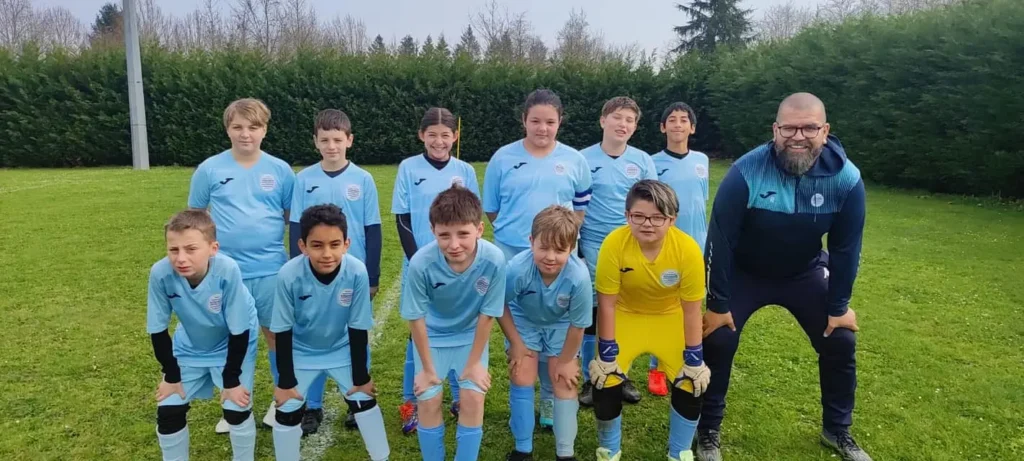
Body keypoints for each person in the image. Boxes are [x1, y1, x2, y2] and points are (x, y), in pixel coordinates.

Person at [696, 93, 870, 461]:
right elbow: (720, 242)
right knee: (719, 337)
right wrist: (717, 304)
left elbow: (845, 249)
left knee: (839, 338)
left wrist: (838, 306)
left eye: (809, 127)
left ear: (825, 131)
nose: (798, 135)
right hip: (745, 272)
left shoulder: (846, 179)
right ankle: (708, 429)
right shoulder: (745, 172)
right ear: (775, 130)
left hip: (803, 273)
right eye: (789, 127)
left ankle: (836, 430)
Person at [483, 88, 592, 429]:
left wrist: (557, 245)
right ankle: (524, 398)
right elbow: (491, 207)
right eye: (535, 121)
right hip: (515, 255)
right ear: (524, 121)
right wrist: (522, 241)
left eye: (550, 122)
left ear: (559, 122)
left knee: (556, 334)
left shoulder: (575, 159)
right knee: (524, 340)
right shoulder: (502, 157)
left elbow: (580, 208)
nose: (542, 128)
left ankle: (549, 401)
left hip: (558, 260)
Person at [187, 97, 295, 431]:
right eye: (237, 127)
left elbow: (293, 218)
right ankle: (236, 406)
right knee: (233, 338)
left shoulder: (280, 170)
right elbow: (196, 217)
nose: (245, 134)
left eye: (253, 127)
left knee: (277, 337)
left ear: (264, 130)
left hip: (271, 269)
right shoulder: (209, 169)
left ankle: (282, 404)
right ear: (227, 129)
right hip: (226, 273)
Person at [588, 180, 709, 461]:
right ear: (627, 215)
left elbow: (692, 310)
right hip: (624, 316)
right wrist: (606, 354)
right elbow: (606, 304)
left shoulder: (688, 250)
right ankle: (609, 449)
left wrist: (695, 358)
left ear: (672, 219)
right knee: (605, 380)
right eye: (639, 216)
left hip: (670, 318)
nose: (648, 224)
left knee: (692, 382)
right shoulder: (614, 244)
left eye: (658, 217)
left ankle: (680, 452)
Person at [288, 108, 382, 435]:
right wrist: (295, 269)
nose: (331, 146)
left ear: (349, 141)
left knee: (356, 334)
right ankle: (311, 406)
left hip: (351, 276)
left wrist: (372, 276)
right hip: (312, 274)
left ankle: (356, 398)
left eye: (337, 140)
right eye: (325, 140)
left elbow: (372, 229)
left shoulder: (363, 179)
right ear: (315, 142)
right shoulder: (304, 179)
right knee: (309, 336)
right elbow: (296, 228)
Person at [270, 204, 390, 461]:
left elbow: (358, 328)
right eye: (317, 245)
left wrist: (361, 377)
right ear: (302, 246)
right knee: (287, 409)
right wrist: (285, 382)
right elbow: (282, 331)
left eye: (335, 244)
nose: (327, 253)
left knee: (364, 400)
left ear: (346, 244)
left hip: (341, 349)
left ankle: (381, 456)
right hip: (301, 351)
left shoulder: (356, 271)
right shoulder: (288, 275)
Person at [401, 185, 506, 461]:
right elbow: (416, 318)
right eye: (444, 235)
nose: (454, 244)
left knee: (473, 398)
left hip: (470, 337)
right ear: (433, 230)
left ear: (479, 229)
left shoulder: (494, 260)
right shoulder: (421, 263)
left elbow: (487, 316)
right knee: (428, 399)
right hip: (432, 338)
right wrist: (425, 368)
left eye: (463, 234)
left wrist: (474, 364)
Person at [392, 107, 480, 435]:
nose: (439, 141)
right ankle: (410, 403)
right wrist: (419, 261)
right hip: (421, 265)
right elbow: (401, 217)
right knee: (419, 333)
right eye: (432, 135)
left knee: (458, 328)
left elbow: (472, 220)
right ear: (421, 136)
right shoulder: (407, 168)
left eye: (446, 135)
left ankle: (458, 397)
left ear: (455, 137)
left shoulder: (465, 170)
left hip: (459, 266)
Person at [146, 210, 259, 461]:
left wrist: (231, 380)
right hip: (190, 346)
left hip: (234, 340)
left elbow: (239, 330)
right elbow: (158, 329)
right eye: (173, 250)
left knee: (236, 408)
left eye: (191, 249)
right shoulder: (160, 273)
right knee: (168, 410)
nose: (181, 258)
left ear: (213, 248)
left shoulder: (228, 270)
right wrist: (171, 375)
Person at [578, 96, 657, 405]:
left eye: (629, 120)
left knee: (625, 313)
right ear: (603, 121)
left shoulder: (642, 161)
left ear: (635, 127)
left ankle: (619, 373)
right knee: (593, 314)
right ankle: (590, 377)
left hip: (630, 247)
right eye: (617, 117)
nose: (622, 124)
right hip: (592, 247)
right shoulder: (581, 159)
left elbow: (650, 205)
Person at [500, 205, 593, 461]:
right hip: (524, 321)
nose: (550, 256)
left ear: (572, 248)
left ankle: (565, 453)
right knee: (522, 375)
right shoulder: (517, 269)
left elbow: (578, 324)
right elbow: (500, 306)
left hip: (561, 325)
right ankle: (522, 449)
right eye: (544, 247)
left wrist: (565, 361)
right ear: (531, 242)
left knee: (564, 380)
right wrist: (516, 343)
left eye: (560, 250)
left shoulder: (579, 277)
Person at [650, 102, 711, 396]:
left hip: (697, 246)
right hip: (664, 246)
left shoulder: (702, 160)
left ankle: (687, 361)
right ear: (663, 128)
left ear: (692, 128)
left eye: (683, 120)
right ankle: (657, 368)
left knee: (691, 306)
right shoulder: (652, 163)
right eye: (671, 120)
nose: (677, 124)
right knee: (663, 304)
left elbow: (702, 200)